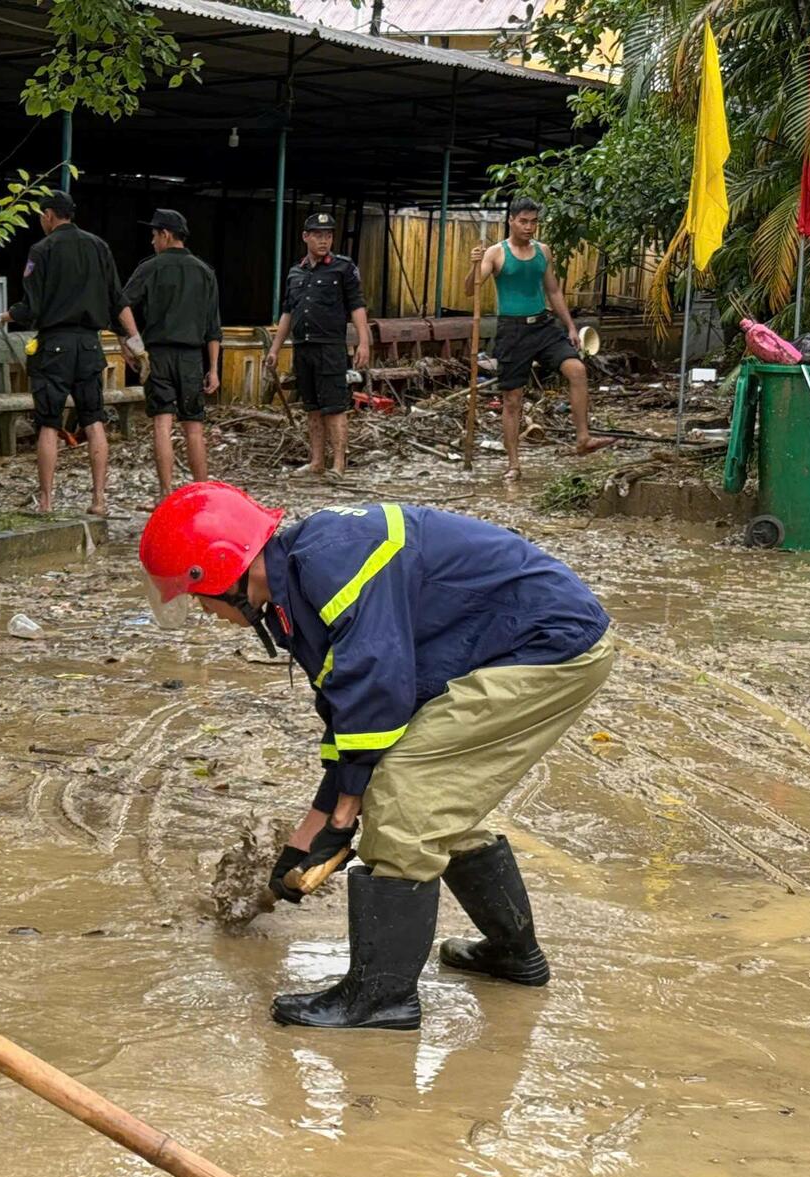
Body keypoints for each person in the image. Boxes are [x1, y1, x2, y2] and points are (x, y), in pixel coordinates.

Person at [139, 482, 615, 1031]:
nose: (200, 610)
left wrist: (344, 819)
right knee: (429, 798)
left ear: (222, 571)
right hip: (509, 643)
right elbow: (350, 720)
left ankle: (381, 998)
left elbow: (377, 695)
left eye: (195, 595)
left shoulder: (330, 570)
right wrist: (306, 841)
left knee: (405, 797)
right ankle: (512, 955)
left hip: (549, 647)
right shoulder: (299, 582)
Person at [6, 191, 145, 516]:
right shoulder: (99, 247)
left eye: (42, 216)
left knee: (49, 424)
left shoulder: (42, 250)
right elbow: (117, 298)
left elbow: (32, 307)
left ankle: (46, 502)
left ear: (49, 215)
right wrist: (134, 339)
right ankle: (98, 500)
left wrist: (9, 314)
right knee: (94, 420)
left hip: (54, 346)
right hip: (88, 345)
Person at [467, 198, 615, 480]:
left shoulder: (542, 251)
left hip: (544, 325)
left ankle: (583, 438)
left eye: (534, 221)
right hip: (512, 330)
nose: (529, 227)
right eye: (524, 221)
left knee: (578, 370)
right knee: (512, 399)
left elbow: (554, 291)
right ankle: (513, 464)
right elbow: (470, 291)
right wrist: (474, 265)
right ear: (511, 220)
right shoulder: (496, 253)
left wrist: (570, 326)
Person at [265, 213, 371, 479]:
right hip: (303, 347)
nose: (324, 240)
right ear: (306, 236)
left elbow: (357, 306)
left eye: (328, 235)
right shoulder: (295, 272)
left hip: (330, 347)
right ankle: (316, 461)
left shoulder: (343, 268)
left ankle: (338, 464)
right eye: (318, 234)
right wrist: (275, 348)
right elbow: (288, 313)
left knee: (334, 407)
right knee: (311, 407)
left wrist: (363, 342)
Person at [123, 208, 221, 496]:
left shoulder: (149, 267)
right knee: (194, 427)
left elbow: (121, 305)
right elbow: (213, 327)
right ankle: (201, 491)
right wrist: (213, 368)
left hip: (158, 356)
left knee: (162, 425)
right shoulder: (205, 271)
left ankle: (166, 494)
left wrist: (131, 342)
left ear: (165, 235)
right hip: (192, 356)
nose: (152, 242)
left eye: (154, 235)